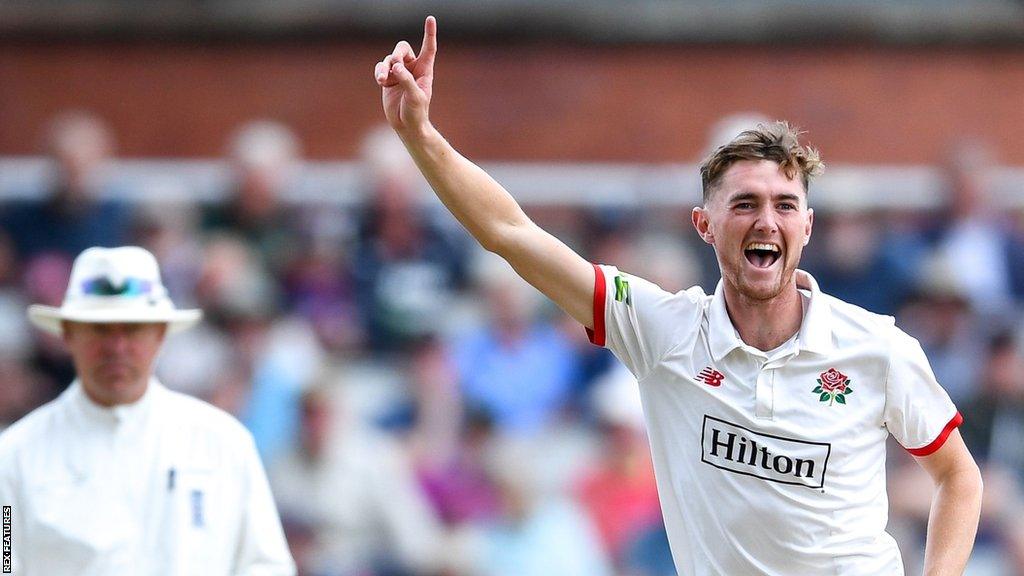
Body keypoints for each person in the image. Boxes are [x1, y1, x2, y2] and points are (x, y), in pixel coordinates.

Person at [373, 17, 983, 575]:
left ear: (807, 226)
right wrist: (419, 133)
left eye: (785, 206)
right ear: (704, 225)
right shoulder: (662, 330)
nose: (766, 221)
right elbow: (511, 234)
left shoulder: (876, 346)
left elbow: (958, 476)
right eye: (744, 203)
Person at [0, 246, 295, 575]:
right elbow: (5, 560)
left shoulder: (222, 443)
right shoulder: (17, 455)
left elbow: (265, 564)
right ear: (69, 334)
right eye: (100, 329)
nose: (117, 347)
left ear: (160, 334)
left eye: (133, 328)